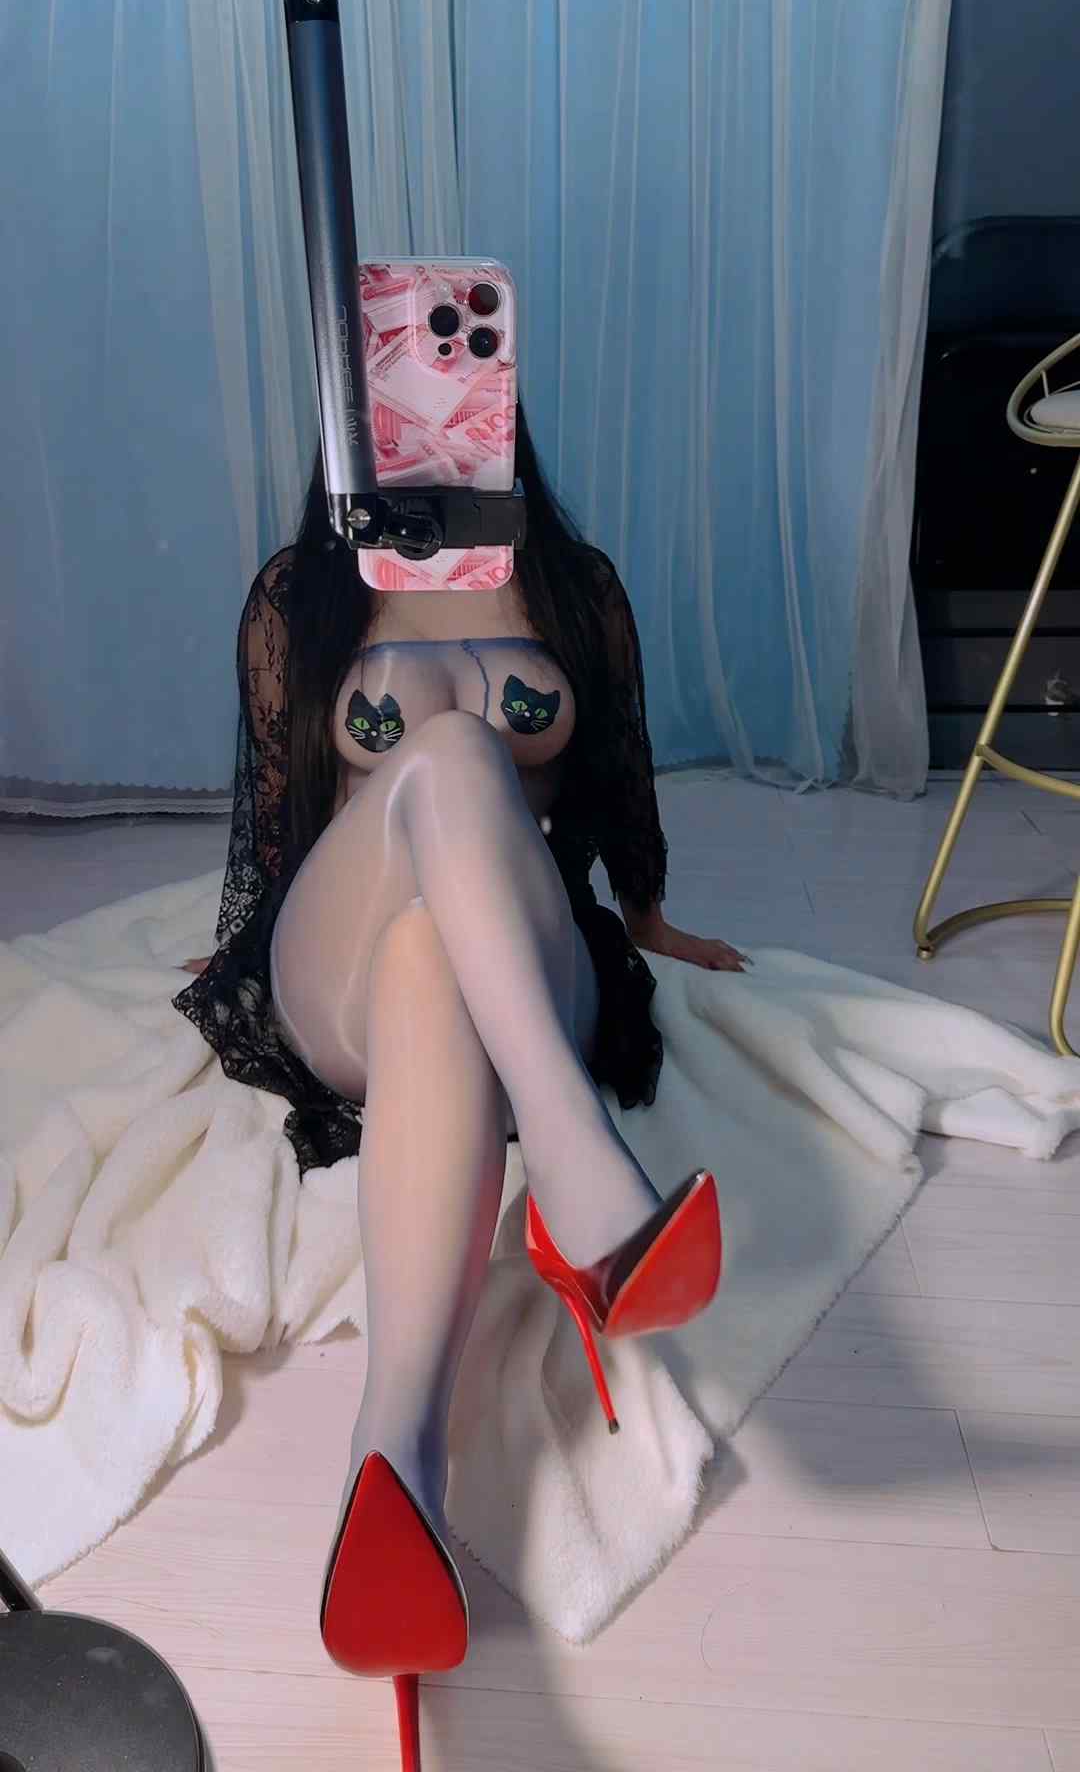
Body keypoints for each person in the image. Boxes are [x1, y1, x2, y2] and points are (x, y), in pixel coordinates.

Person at [175, 405, 741, 1770]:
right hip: (340, 962)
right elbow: (277, 820)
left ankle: (398, 1461)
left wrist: (650, 919)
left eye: (455, 344)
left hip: (519, 955)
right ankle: (579, 1174)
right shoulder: (302, 593)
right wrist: (233, 938)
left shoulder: (570, 584)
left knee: (441, 943)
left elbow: (618, 784)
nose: (425, 394)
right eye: (390, 363)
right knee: (442, 767)